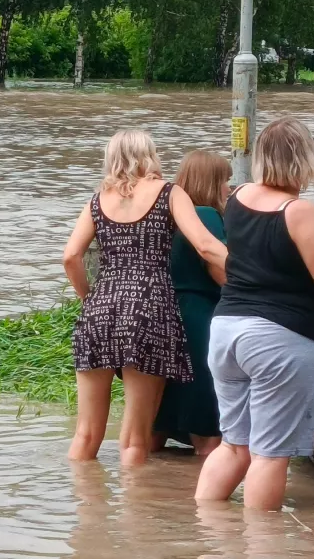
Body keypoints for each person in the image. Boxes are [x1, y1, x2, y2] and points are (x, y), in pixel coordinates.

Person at [194, 116, 314, 511]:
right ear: (303, 158)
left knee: (235, 444)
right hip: (277, 339)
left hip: (227, 330)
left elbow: (266, 256)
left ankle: (206, 533)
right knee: (270, 454)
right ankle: (262, 545)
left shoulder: (238, 197)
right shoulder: (298, 211)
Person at [62, 130, 229, 468]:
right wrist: (254, 272)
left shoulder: (97, 201)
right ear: (149, 155)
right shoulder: (169, 193)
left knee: (85, 434)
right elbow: (205, 246)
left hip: (100, 308)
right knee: (135, 440)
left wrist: (89, 299)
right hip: (149, 312)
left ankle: (84, 512)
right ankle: (136, 515)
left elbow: (70, 257)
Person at [151, 151, 231, 456]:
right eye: (224, 180)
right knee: (207, 434)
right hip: (198, 319)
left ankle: (142, 494)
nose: (228, 188)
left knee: (153, 428)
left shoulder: (160, 216)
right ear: (211, 183)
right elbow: (221, 273)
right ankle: (200, 500)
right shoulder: (207, 216)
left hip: (161, 316)